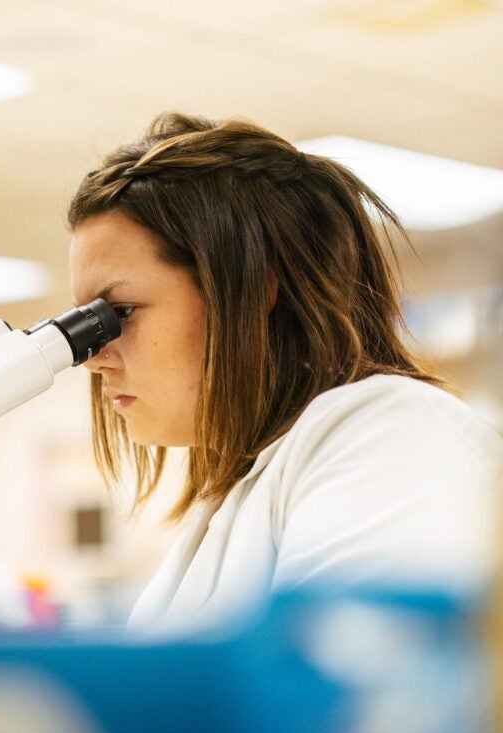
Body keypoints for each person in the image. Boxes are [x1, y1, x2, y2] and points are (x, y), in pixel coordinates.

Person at [67, 112, 503, 630]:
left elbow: (337, 691)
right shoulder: (241, 492)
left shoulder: (392, 432)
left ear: (254, 293)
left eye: (118, 314)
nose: (93, 357)